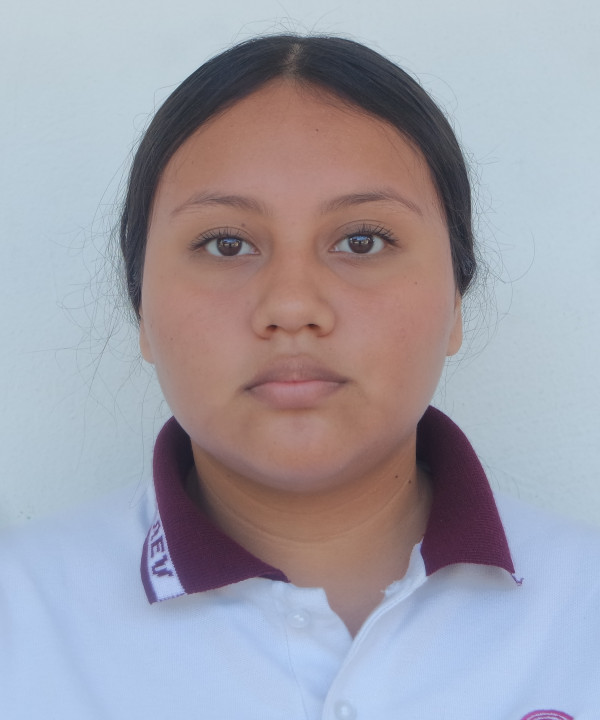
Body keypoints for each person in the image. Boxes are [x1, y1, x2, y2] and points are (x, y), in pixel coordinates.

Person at [1, 34, 599, 720]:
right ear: (142, 309)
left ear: (456, 303)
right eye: (226, 244)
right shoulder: (20, 615)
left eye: (361, 241)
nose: (291, 306)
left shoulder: (584, 610)